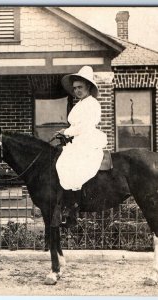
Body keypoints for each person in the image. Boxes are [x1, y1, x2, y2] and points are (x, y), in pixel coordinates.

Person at [55, 66, 107, 224]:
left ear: (89, 87)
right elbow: (76, 126)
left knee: (69, 165)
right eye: (75, 88)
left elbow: (85, 126)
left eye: (80, 87)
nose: (77, 90)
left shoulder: (92, 104)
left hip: (87, 140)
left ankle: (74, 208)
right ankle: (66, 204)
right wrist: (66, 131)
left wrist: (68, 132)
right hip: (78, 139)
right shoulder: (81, 104)